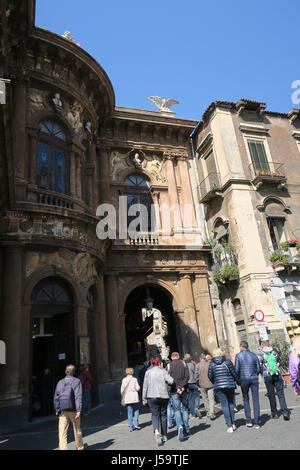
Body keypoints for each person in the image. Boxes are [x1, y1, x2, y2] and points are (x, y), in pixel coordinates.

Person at [53, 364, 86, 451]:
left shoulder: (60, 382)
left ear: (65, 372)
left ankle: (63, 449)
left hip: (63, 410)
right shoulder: (76, 381)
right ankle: (79, 447)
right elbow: (78, 396)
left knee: (62, 432)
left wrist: (57, 409)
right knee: (77, 429)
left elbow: (56, 396)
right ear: (73, 372)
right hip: (73, 409)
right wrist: (79, 409)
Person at [142, 357, 174, 446]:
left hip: (151, 396)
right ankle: (164, 435)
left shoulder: (148, 372)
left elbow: (145, 387)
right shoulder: (163, 371)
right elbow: (171, 381)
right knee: (163, 415)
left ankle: (156, 431)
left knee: (155, 414)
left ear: (152, 363)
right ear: (159, 363)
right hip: (163, 396)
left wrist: (144, 399)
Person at [208, 348, 239, 433]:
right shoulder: (227, 362)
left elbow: (210, 376)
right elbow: (234, 373)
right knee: (231, 404)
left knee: (224, 406)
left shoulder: (212, 364)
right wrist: (238, 381)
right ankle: (233, 423)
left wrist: (215, 382)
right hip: (230, 385)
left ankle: (229, 426)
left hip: (219, 387)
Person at [258, 340, 290, 421]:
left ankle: (274, 413)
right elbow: (279, 362)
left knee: (271, 395)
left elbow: (259, 366)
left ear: (262, 346)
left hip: (267, 376)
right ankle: (285, 412)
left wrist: (261, 374)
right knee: (281, 394)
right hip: (277, 375)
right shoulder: (275, 353)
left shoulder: (261, 354)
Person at [235, 341, 261, 428]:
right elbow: (258, 368)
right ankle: (257, 421)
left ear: (242, 346)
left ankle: (249, 420)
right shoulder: (254, 355)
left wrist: (238, 380)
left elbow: (237, 370)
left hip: (244, 379)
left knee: (245, 399)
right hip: (254, 379)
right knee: (255, 399)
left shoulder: (238, 356)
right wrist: (254, 375)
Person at [167, 352, 190, 441]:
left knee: (176, 410)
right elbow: (187, 376)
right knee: (184, 409)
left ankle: (179, 426)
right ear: (178, 356)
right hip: (184, 390)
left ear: (172, 357)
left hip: (174, 391)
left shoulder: (169, 365)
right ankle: (187, 429)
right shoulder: (183, 363)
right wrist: (182, 386)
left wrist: (177, 387)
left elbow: (168, 379)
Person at [195, 354, 215, 420]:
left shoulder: (197, 365)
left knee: (205, 399)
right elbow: (213, 374)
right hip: (210, 384)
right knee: (211, 399)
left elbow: (196, 376)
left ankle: (208, 412)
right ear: (204, 358)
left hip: (202, 384)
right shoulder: (209, 364)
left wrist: (197, 383)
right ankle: (212, 413)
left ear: (200, 359)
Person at [121, 368, 141, 432]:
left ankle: (130, 426)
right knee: (136, 411)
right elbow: (137, 388)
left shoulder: (124, 380)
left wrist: (122, 396)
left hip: (127, 397)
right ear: (132, 372)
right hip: (134, 397)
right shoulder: (134, 379)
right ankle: (136, 424)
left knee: (129, 412)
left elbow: (122, 390)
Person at [184, 353, 201, 418]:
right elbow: (196, 373)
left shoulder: (184, 365)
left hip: (187, 384)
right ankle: (196, 407)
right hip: (193, 382)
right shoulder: (192, 364)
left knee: (190, 398)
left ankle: (193, 414)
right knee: (197, 395)